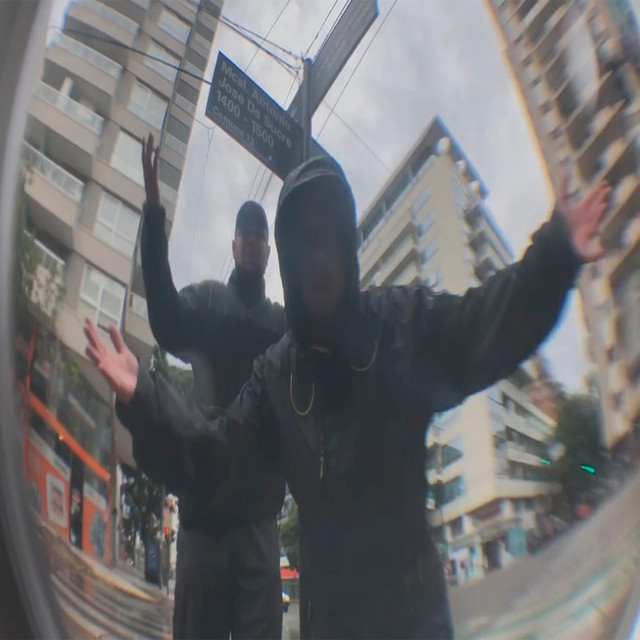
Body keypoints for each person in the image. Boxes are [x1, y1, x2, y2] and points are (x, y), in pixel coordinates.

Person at [86, 155, 610, 638]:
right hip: (329, 620)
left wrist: (554, 257)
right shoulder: (277, 374)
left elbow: (481, 324)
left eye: (329, 237)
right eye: (303, 242)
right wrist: (145, 399)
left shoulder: (398, 327)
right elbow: (219, 452)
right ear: (285, 259)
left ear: (346, 245)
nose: (318, 257)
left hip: (412, 615)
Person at [133, 134, 287, 639]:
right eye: (244, 234)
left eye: (260, 235)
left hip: (260, 520)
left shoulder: (282, 326)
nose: (251, 241)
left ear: (269, 251)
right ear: (233, 246)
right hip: (203, 513)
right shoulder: (208, 301)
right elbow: (164, 316)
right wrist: (154, 212)